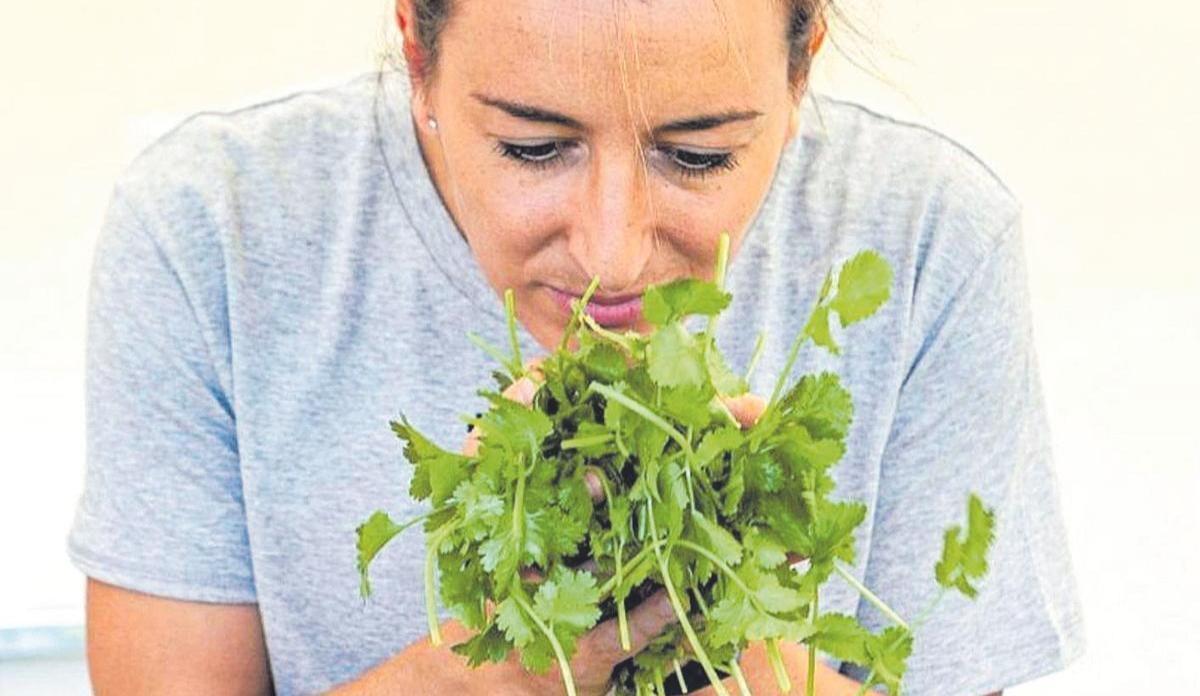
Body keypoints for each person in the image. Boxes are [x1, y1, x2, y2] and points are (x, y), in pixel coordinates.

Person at [68, 0, 1085, 694]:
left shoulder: (931, 243)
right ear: (418, 54)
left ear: (802, 65)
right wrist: (486, 668)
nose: (611, 251)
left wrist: (728, 620)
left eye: (698, 156)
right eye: (533, 147)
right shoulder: (212, 228)